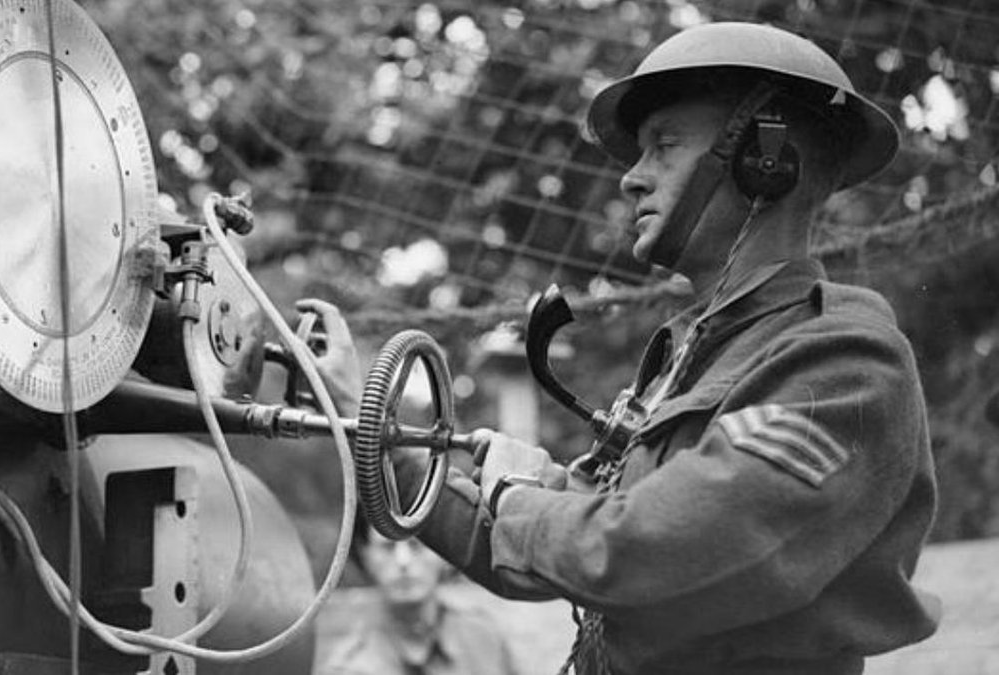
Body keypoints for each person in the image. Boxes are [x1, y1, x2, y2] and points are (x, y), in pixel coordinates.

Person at [307, 21, 941, 675]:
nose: (631, 179)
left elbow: (651, 549)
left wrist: (515, 496)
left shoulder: (844, 363)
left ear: (765, 159)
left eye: (664, 146)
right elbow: (537, 544)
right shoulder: (689, 357)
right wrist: (362, 416)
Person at [318, 508, 519, 675]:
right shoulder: (349, 667)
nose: (403, 561)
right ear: (365, 554)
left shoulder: (482, 637)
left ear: (442, 550)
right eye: (388, 547)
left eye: (416, 546)